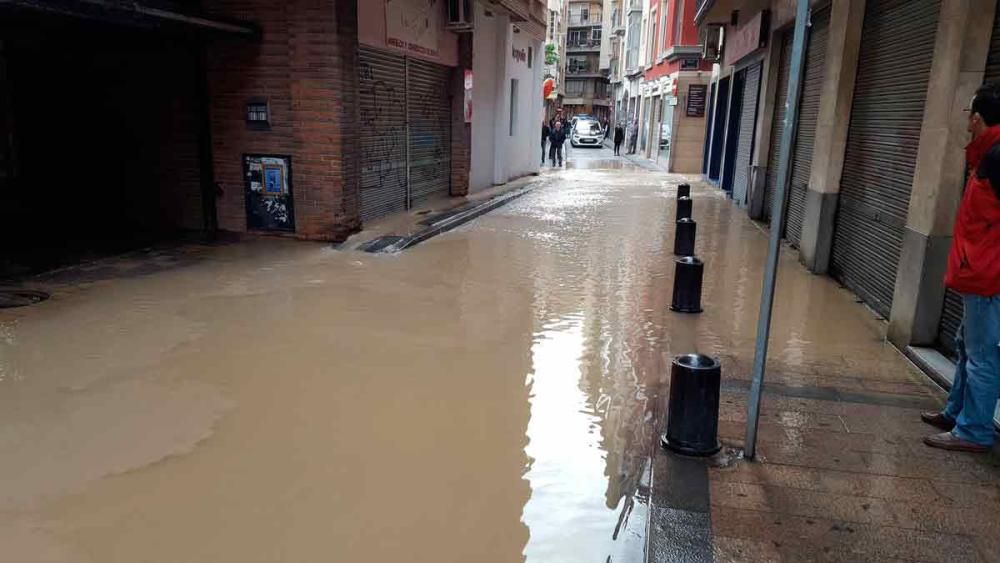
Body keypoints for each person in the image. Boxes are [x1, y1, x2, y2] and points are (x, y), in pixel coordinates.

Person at [922, 82, 1000, 453]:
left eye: (970, 114)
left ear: (978, 118)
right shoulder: (988, 154)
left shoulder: (998, 157)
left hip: (989, 276)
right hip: (980, 271)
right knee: (966, 346)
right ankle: (957, 413)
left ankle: (974, 431)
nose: (967, 121)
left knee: (982, 356)